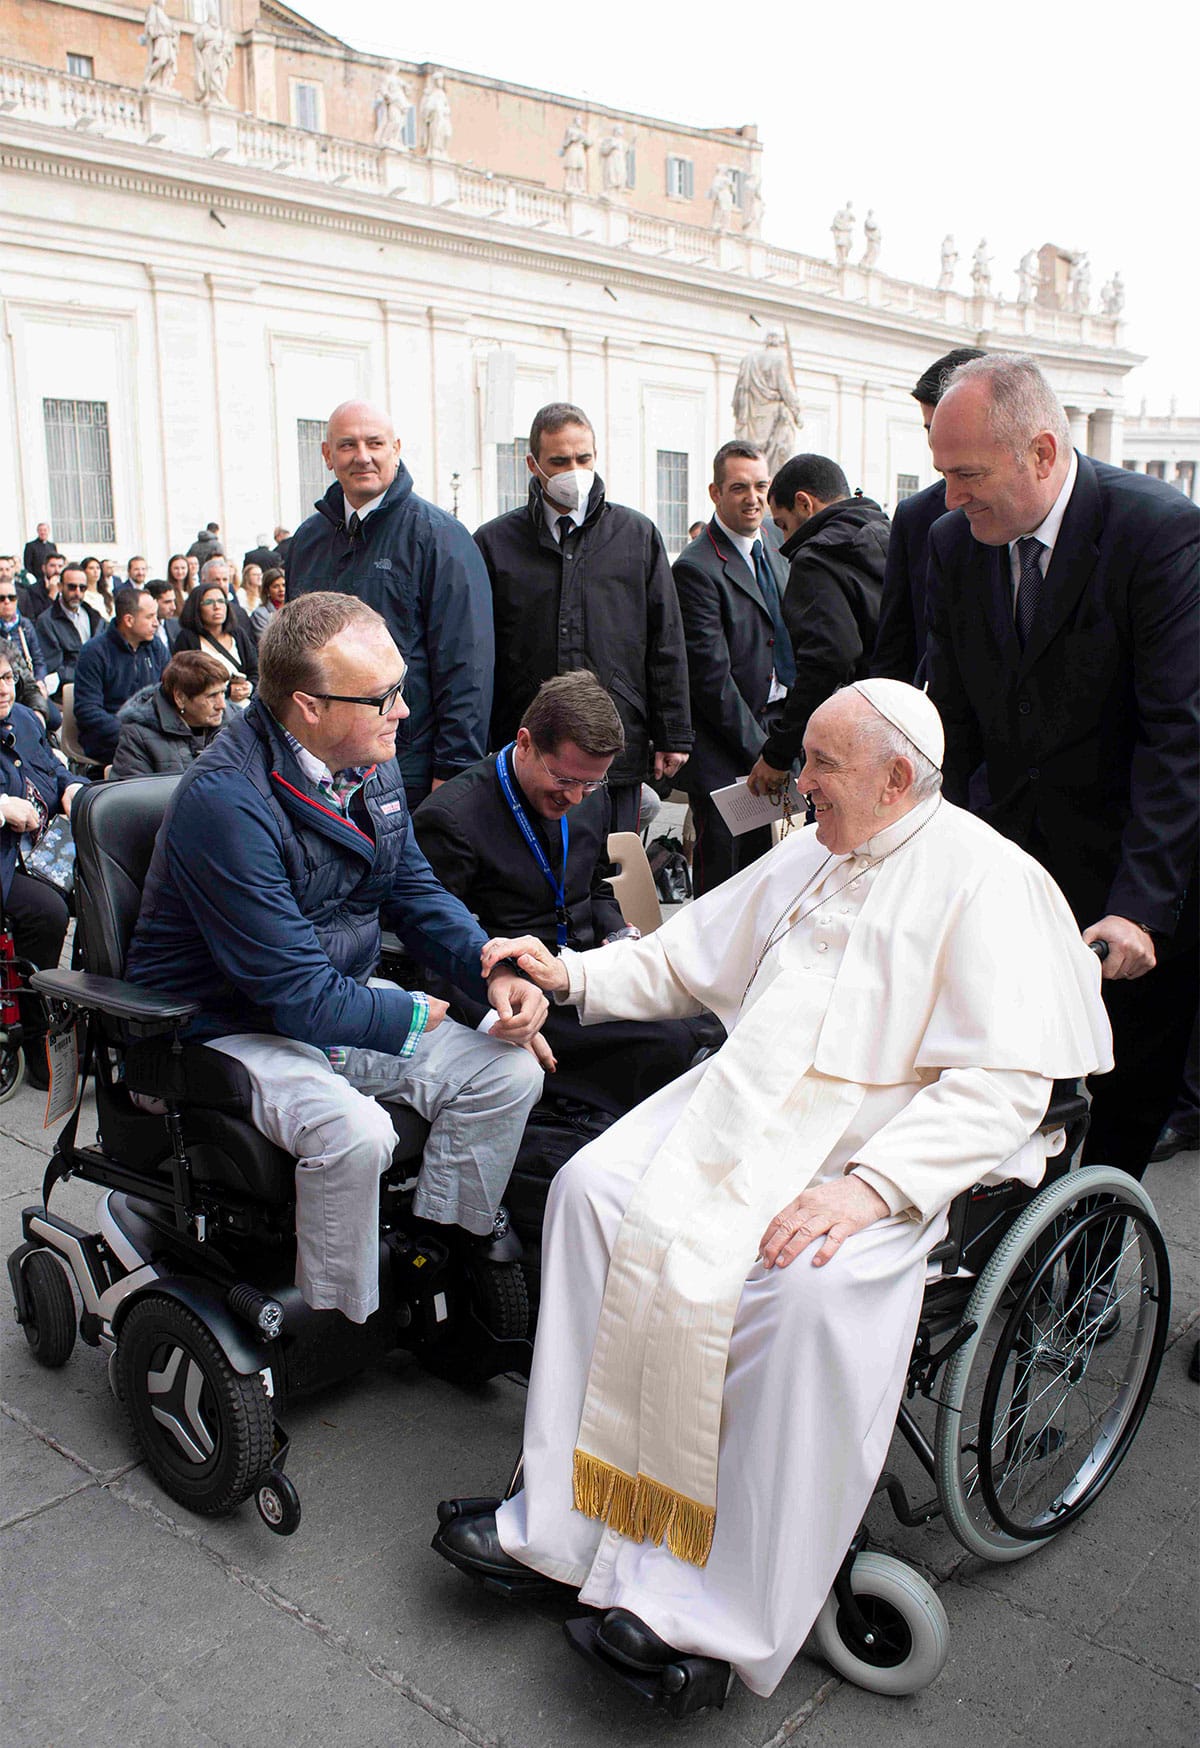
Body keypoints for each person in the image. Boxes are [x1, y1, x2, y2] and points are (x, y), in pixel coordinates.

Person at [433, 680, 1112, 1701]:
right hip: (745, 1097)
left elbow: (1004, 1084)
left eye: (821, 765)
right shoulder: (817, 845)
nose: (800, 783)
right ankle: (568, 1524)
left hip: (883, 1144)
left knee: (801, 1292)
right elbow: (683, 950)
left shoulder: (991, 879)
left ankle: (716, 1609)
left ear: (894, 777)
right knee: (588, 1194)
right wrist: (569, 976)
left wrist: (872, 1189)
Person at [124, 593, 547, 1325]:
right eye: (382, 697)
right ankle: (337, 1316)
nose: (404, 711)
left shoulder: (367, 761)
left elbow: (413, 889)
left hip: (332, 999)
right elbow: (294, 996)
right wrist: (423, 1012)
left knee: (507, 1072)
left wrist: (494, 966)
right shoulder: (225, 802)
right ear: (308, 707)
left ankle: (433, 1246)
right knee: (358, 1134)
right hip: (222, 1026)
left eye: (401, 688)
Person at [926, 352, 1200, 1187]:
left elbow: (1177, 735)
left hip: (1132, 877)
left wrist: (1140, 910)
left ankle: (1086, 1274)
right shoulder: (951, 543)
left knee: (1121, 1104)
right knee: (1009, 1087)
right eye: (943, 475)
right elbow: (961, 723)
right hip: (1014, 873)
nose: (949, 498)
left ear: (1040, 453)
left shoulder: (1158, 531)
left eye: (966, 474)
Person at [414, 672, 712, 1116]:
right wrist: (495, 1019)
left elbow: (593, 891)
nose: (575, 797)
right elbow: (431, 948)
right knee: (673, 1046)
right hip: (519, 997)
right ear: (525, 743)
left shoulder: (592, 792)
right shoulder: (452, 818)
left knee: (713, 1019)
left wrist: (619, 936)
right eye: (563, 779)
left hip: (585, 973)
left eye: (591, 784)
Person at [477, 402, 691, 835]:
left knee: (610, 869)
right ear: (533, 465)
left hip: (615, 740)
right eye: (559, 461)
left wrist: (674, 734)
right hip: (529, 742)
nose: (574, 470)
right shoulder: (495, 543)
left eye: (584, 459)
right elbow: (480, 653)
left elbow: (664, 638)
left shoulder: (636, 535)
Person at [288, 400, 495, 810]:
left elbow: (467, 665)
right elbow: (291, 655)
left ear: (395, 449)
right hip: (318, 768)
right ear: (328, 456)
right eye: (347, 445)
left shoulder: (440, 539)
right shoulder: (307, 541)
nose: (362, 456)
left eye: (375, 443)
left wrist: (453, 771)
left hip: (408, 767)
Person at [671, 441, 790, 895]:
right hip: (726, 750)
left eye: (761, 486)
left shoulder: (779, 544)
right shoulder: (697, 567)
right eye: (739, 487)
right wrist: (765, 752)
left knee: (765, 874)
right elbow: (711, 680)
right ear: (715, 492)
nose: (753, 498)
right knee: (723, 881)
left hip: (773, 731)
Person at [747, 455, 889, 794]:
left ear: (803, 503)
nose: (782, 539)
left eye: (781, 524)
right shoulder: (887, 533)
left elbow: (827, 660)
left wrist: (778, 754)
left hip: (857, 736)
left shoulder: (815, 559)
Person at [871, 346, 987, 683]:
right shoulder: (915, 516)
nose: (937, 446)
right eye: (928, 430)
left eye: (947, 426)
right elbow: (896, 643)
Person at [0, 648, 87, 1085]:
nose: (2, 687)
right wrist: (2, 807)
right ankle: (38, 1035)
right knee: (47, 912)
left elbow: (57, 767)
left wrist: (72, 788)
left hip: (50, 846)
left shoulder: (25, 718)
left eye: (6, 677)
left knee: (106, 892)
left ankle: (101, 1015)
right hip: (8, 859)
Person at [72, 585, 168, 767]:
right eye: (149, 617)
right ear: (129, 620)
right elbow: (88, 712)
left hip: (153, 733)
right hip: (108, 739)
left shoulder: (155, 647)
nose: (156, 623)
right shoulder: (94, 652)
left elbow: (170, 691)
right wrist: (133, 732)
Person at [110, 650, 228, 777]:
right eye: (212, 696)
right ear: (180, 698)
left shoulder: (236, 722)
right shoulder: (138, 734)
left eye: (223, 692)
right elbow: (134, 793)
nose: (222, 705)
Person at [173, 576, 257, 705]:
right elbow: (186, 681)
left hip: (245, 709)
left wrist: (249, 687)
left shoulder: (238, 634)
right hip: (207, 711)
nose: (217, 607)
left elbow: (255, 669)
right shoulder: (187, 638)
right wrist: (227, 691)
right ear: (197, 608)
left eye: (221, 601)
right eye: (208, 602)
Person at [36, 562, 103, 693]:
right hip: (69, 690)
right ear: (60, 587)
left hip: (99, 684)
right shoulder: (47, 621)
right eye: (72, 587)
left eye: (82, 588)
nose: (77, 593)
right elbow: (54, 667)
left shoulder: (95, 617)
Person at [19, 551, 65, 622]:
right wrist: (52, 594)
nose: (57, 570)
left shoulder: (69, 587)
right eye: (52, 566)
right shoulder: (33, 590)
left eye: (60, 566)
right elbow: (39, 617)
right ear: (44, 568)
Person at [145, 578, 181, 652]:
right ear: (152, 601)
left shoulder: (176, 625)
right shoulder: (140, 630)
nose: (173, 607)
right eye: (167, 602)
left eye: (173, 601)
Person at [251, 567, 286, 641]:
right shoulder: (260, 614)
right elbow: (266, 641)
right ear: (267, 590)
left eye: (284, 585)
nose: (281, 590)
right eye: (276, 586)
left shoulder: (295, 608)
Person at [80, 556, 113, 621]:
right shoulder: (82, 594)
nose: (95, 571)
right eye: (91, 568)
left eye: (98, 568)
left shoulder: (106, 594)